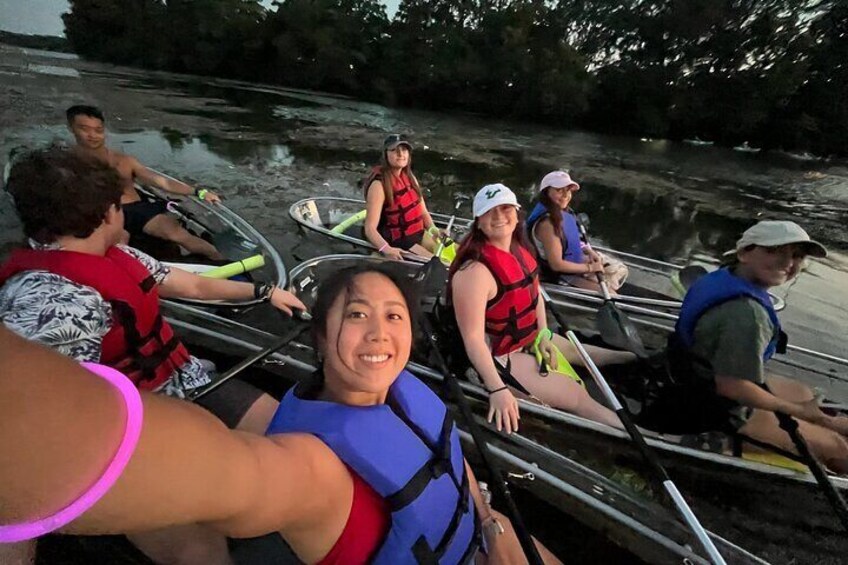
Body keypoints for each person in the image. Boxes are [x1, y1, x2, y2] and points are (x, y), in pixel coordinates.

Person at [0, 268, 561, 564]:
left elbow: (450, 461)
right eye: (357, 314)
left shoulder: (407, 393)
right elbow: (218, 471)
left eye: (394, 316)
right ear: (318, 338)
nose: (378, 333)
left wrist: (492, 525)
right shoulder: (310, 471)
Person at [0, 147, 306, 564]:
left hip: (190, 381)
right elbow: (32, 437)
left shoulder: (115, 254)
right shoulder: (52, 302)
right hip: (129, 433)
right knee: (197, 551)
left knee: (291, 431)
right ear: (109, 212)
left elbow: (191, 286)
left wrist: (264, 292)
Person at [450, 184, 637, 434]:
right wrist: (497, 388)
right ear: (478, 222)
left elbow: (535, 295)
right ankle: (644, 435)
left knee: (594, 355)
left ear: (516, 214)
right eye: (489, 212)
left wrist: (543, 334)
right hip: (498, 356)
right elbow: (473, 339)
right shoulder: (474, 272)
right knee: (575, 396)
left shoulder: (522, 252)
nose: (498, 217)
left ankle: (638, 361)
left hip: (526, 337)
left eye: (505, 208)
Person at [665, 220, 848, 472]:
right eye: (773, 251)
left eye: (796, 256)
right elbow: (731, 386)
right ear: (744, 253)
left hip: (691, 377)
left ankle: (823, 420)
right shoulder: (746, 313)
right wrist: (799, 412)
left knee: (801, 392)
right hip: (713, 409)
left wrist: (813, 414)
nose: (787, 263)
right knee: (839, 448)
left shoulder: (725, 276)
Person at [66, 104, 224, 260]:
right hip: (101, 214)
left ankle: (224, 262)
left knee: (178, 235)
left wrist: (200, 192)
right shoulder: (65, 164)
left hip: (136, 210)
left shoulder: (124, 161)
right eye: (85, 129)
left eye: (98, 130)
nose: (92, 135)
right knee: (119, 242)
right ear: (71, 128)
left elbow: (162, 182)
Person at [526, 171, 628, 293]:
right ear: (546, 192)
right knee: (611, 294)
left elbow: (570, 240)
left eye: (568, 190)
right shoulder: (547, 224)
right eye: (559, 190)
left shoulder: (564, 213)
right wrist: (590, 268)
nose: (565, 195)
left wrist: (587, 250)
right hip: (557, 274)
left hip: (572, 263)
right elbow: (556, 265)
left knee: (619, 270)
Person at [363, 134, 446, 261]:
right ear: (386, 154)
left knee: (458, 255)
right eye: (394, 150)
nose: (401, 154)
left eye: (404, 150)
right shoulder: (379, 185)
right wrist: (386, 249)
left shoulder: (409, 177)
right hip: (402, 242)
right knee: (443, 264)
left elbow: (422, 212)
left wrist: (434, 230)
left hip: (419, 234)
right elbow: (369, 228)